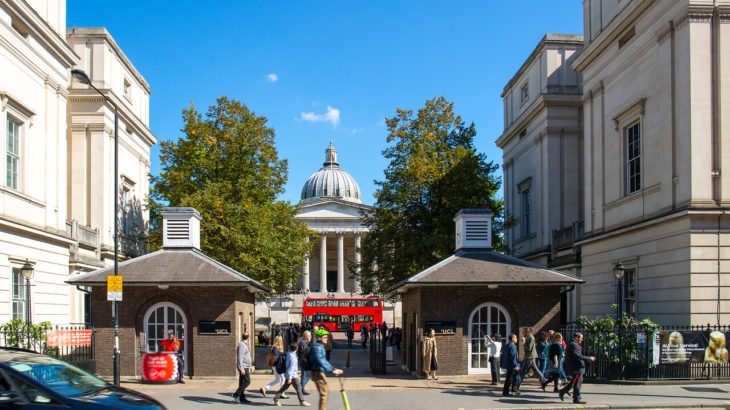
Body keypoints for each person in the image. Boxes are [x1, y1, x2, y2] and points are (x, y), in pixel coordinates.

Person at [309, 329, 343, 410]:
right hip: (317, 372)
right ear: (319, 338)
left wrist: (333, 368)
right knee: (324, 394)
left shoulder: (320, 347)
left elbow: (324, 361)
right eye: (325, 337)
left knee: (325, 392)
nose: (327, 339)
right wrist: (332, 370)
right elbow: (321, 360)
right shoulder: (317, 348)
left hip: (319, 372)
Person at [559, 332, 595, 404]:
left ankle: (563, 391)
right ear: (576, 337)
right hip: (576, 367)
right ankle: (576, 399)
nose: (581, 340)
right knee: (577, 383)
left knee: (576, 382)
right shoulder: (573, 345)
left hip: (576, 367)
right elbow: (578, 356)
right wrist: (589, 358)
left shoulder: (574, 344)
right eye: (581, 338)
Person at [273, 343, 311, 407]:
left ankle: (276, 399)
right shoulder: (293, 357)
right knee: (298, 388)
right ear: (296, 348)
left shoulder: (289, 353)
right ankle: (302, 401)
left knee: (284, 388)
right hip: (292, 375)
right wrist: (289, 378)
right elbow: (291, 368)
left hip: (289, 375)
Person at [232, 332, 252, 404]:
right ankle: (237, 394)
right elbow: (240, 357)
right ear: (248, 338)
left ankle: (242, 397)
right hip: (244, 366)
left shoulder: (243, 345)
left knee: (242, 382)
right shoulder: (242, 345)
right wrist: (241, 368)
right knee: (247, 381)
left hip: (245, 366)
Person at [297, 330, 313, 395]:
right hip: (304, 361)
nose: (311, 337)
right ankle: (301, 389)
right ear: (307, 337)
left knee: (307, 375)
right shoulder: (303, 343)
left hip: (305, 361)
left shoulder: (306, 342)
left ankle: (301, 388)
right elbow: (304, 352)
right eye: (310, 336)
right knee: (305, 375)